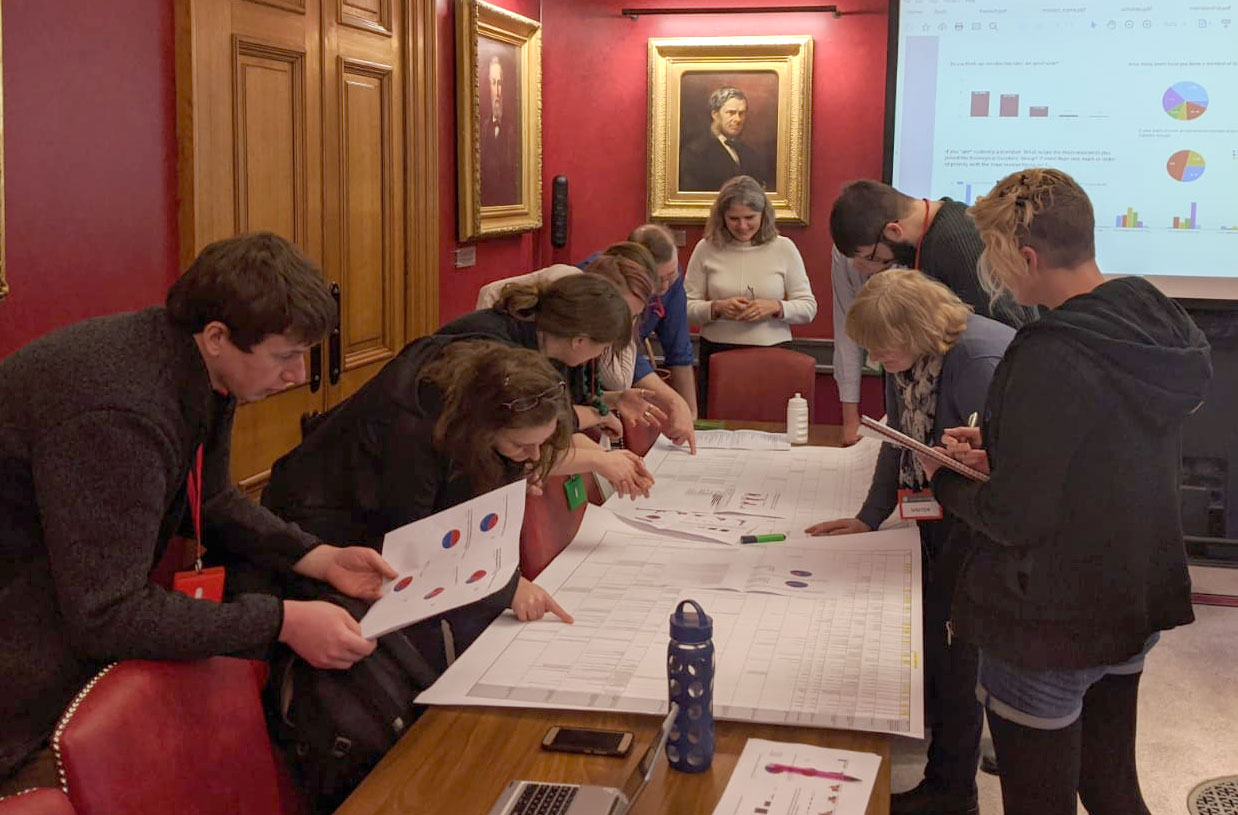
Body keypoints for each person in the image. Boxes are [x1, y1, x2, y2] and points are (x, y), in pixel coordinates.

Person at [0, 233, 396, 794]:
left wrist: (317, 556)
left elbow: (210, 500)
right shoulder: (120, 412)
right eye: (285, 356)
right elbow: (106, 612)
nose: (296, 375)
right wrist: (281, 622)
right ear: (217, 337)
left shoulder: (198, 366)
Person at [921, 169, 1211, 815]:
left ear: (1024, 257)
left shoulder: (1048, 349)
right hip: (1132, 596)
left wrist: (944, 477)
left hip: (1049, 618)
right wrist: (1004, 451)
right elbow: (1101, 454)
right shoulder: (1153, 319)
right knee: (1113, 788)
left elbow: (1015, 514)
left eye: (995, 262)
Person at [806, 269, 1014, 815]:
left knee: (958, 655)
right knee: (941, 647)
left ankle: (953, 791)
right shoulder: (914, 355)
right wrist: (869, 517)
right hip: (942, 511)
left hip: (979, 526)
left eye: (882, 347)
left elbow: (1005, 472)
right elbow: (895, 438)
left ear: (917, 327)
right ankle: (939, 748)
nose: (877, 359)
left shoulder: (977, 363)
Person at [263, 339, 576, 674]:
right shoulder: (411, 431)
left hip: (376, 499)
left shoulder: (485, 382)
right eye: (522, 445)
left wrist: (510, 469)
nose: (536, 457)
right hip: (316, 517)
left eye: (542, 443)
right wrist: (506, 587)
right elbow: (413, 545)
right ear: (482, 429)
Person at [829, 180, 1037, 444]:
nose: (867, 267)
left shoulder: (956, 243)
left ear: (893, 230)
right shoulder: (933, 236)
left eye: (870, 257)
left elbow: (1007, 338)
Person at [440, 274, 655, 499]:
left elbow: (557, 433)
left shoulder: (552, 346)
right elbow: (519, 450)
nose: (600, 356)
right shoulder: (502, 356)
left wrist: (615, 462)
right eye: (602, 348)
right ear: (579, 341)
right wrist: (600, 459)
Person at [684, 174, 818, 413]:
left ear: (763, 215)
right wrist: (715, 308)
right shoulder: (706, 248)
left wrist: (776, 307)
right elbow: (684, 307)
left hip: (773, 354)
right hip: (717, 352)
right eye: (734, 219)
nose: (742, 226)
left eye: (749, 218)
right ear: (721, 217)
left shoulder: (784, 248)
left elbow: (808, 308)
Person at [679, 87, 771, 191]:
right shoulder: (694, 153)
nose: (738, 119)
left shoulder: (749, 152)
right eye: (731, 113)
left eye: (741, 113)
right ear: (715, 114)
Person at [481, 55, 519, 206]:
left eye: (500, 83)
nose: (497, 91)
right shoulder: (482, 130)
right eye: (493, 83)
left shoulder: (514, 129)